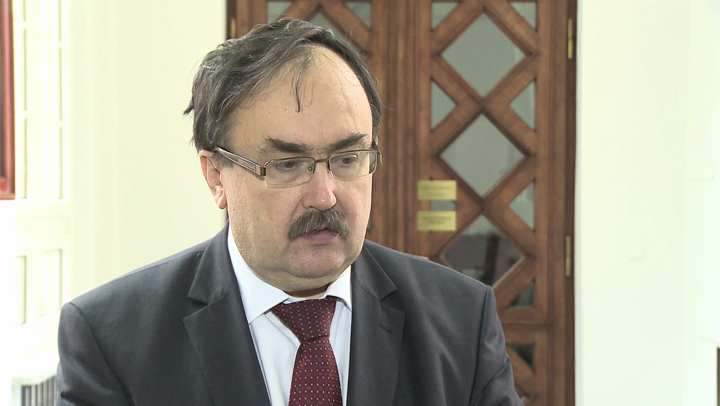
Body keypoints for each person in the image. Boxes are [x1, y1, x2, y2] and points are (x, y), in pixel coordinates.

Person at [56, 18, 522, 406]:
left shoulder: (461, 321)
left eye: (347, 159)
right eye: (287, 165)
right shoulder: (112, 342)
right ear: (216, 176)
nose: (325, 195)